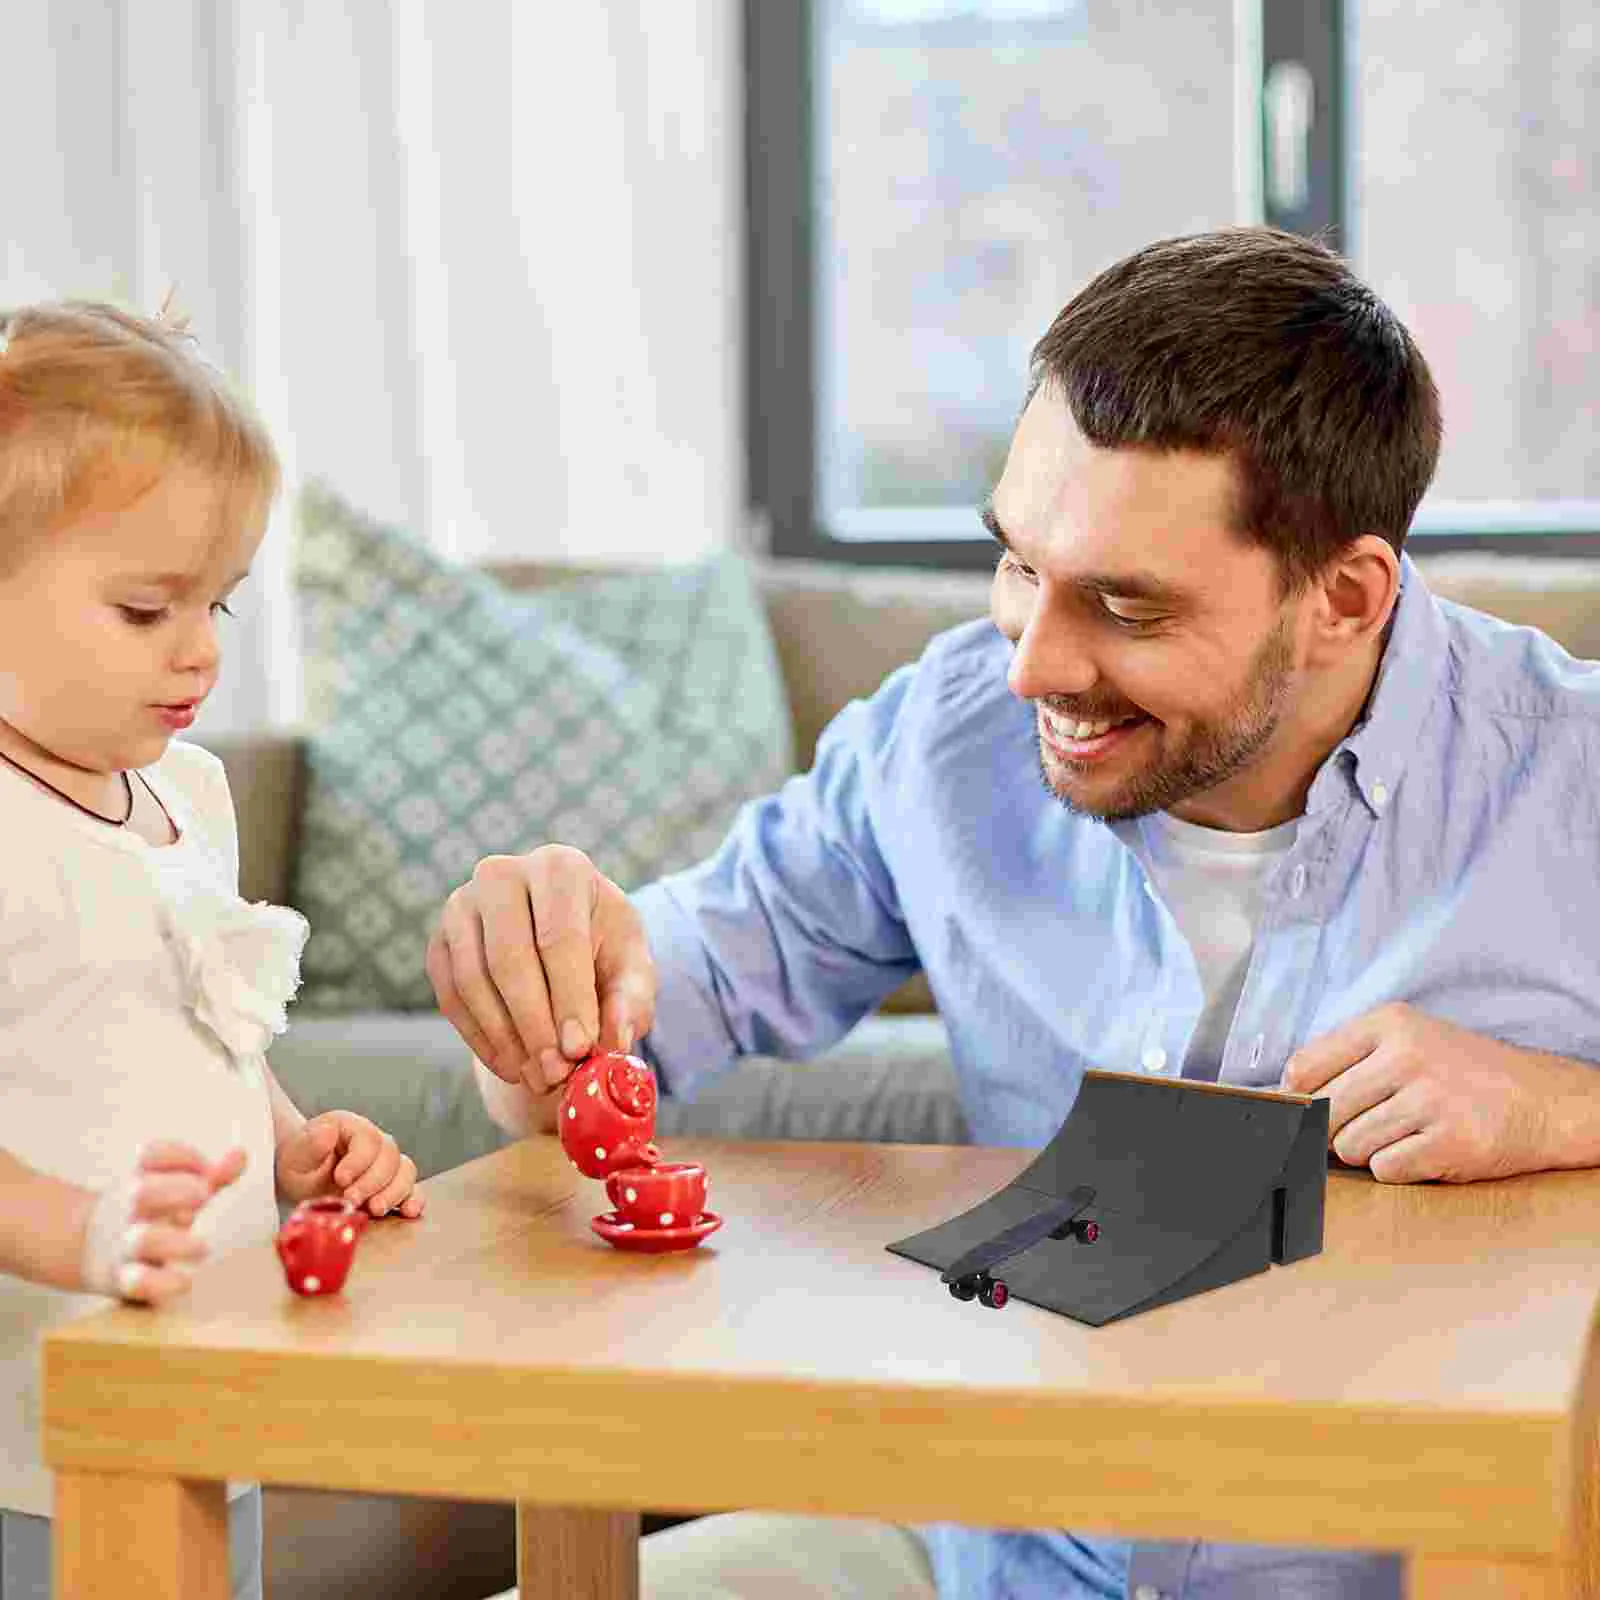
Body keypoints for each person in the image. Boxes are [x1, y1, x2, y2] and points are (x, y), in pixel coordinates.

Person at [429, 228, 1600, 1600]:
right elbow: (619, 1038)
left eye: (1125, 604)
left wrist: (1569, 1110)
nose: (1036, 661)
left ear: (1344, 598)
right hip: (1004, 1557)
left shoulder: (1566, 773)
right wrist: (543, 987)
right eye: (1017, 565)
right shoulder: (947, 736)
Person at [0, 302, 426, 1600]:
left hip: (204, 1382)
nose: (199, 652)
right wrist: (85, 1236)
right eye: (144, 610)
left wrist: (297, 1145)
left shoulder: (189, 793)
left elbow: (209, 1027)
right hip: (35, 1424)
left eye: (219, 604)